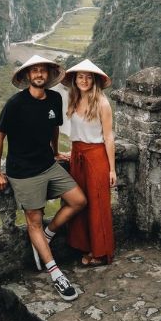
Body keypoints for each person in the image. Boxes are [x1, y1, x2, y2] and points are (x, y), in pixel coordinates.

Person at [0, 55, 86, 301]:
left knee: (78, 200)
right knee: (34, 220)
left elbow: (53, 128)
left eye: (43, 70)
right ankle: (56, 274)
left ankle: (47, 235)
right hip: (23, 172)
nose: (39, 74)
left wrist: (54, 153)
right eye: (35, 71)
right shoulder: (15, 104)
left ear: (48, 75)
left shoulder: (54, 98)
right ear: (27, 77)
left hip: (47, 164)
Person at [61, 59, 117, 267]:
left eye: (88, 77)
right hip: (78, 156)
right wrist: (71, 151)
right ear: (75, 80)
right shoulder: (73, 99)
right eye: (80, 76)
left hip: (96, 157)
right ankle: (85, 245)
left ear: (94, 80)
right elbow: (77, 132)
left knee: (98, 204)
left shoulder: (102, 103)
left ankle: (101, 253)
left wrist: (112, 169)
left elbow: (108, 137)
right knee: (81, 203)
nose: (84, 80)